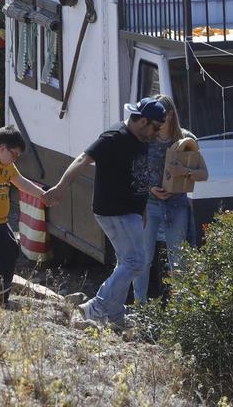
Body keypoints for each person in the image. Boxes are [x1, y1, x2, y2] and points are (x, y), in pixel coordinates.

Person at [44, 97, 166, 325]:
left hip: (132, 211)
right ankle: (97, 307)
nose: (157, 133)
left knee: (126, 262)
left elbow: (138, 175)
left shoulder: (141, 137)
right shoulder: (114, 137)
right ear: (143, 121)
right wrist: (61, 188)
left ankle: (115, 315)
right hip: (114, 210)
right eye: (156, 128)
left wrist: (143, 208)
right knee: (136, 261)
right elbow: (83, 159)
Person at [133, 93, 206, 302]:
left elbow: (201, 173)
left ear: (171, 115)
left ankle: (180, 310)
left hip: (177, 204)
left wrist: (182, 174)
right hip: (150, 204)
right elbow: (134, 173)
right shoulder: (146, 138)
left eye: (161, 119)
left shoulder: (186, 140)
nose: (157, 125)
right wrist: (150, 189)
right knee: (144, 258)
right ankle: (140, 305)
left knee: (178, 260)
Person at [0, 125, 47, 304]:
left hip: (0, 222)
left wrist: (43, 195)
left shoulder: (8, 166)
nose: (15, 159)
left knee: (10, 251)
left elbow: (21, 182)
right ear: (2, 148)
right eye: (14, 154)